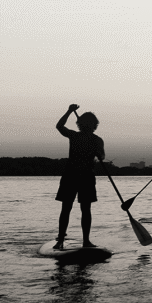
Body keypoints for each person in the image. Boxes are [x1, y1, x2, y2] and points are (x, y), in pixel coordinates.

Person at [54, 104, 105, 249]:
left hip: (81, 176)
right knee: (74, 208)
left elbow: (102, 155)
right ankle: (67, 240)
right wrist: (69, 111)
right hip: (75, 176)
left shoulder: (90, 139)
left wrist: (69, 111)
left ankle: (78, 241)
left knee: (76, 209)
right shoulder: (80, 137)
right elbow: (59, 126)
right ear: (93, 125)